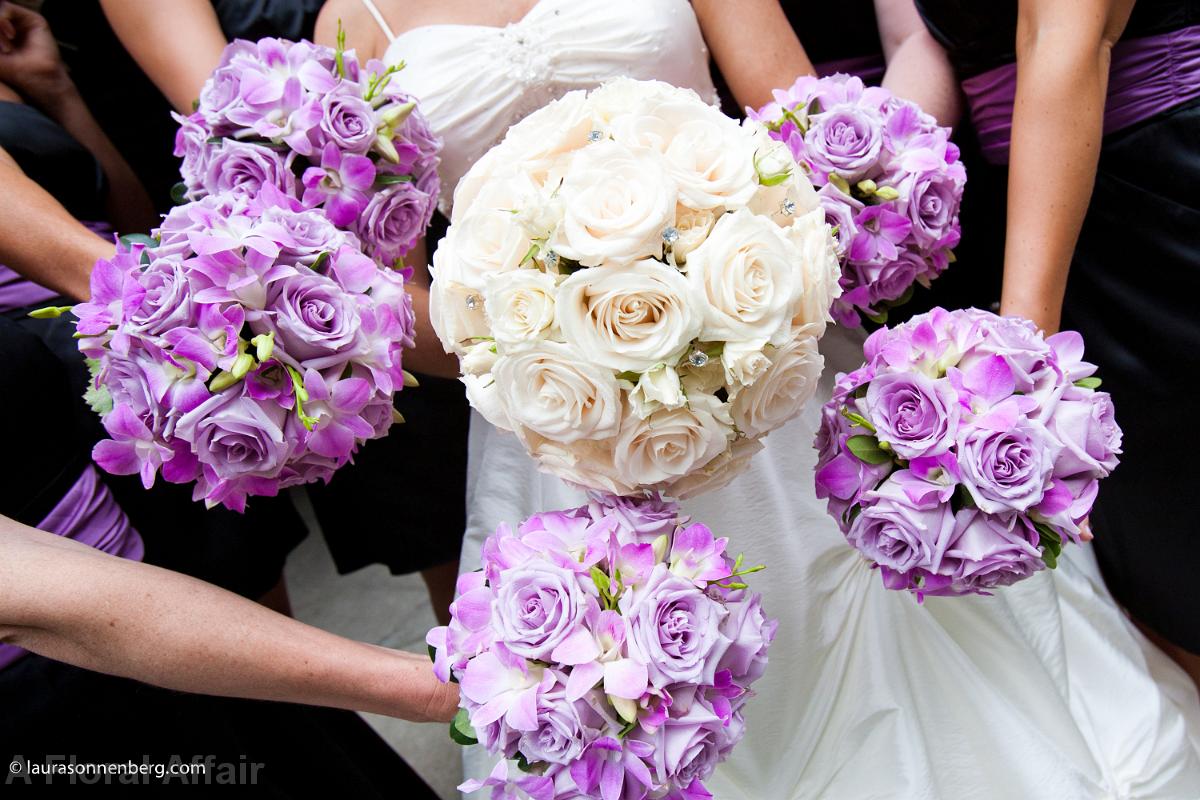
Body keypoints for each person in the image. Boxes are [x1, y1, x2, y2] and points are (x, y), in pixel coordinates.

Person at [322, 0, 1200, 796]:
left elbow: (801, 141)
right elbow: (390, 300)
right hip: (556, 426)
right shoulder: (350, 23)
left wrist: (727, 298)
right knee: (632, 699)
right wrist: (541, 341)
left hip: (761, 360)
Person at [892, 0, 1200, 688]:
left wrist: (1022, 370)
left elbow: (1061, 40)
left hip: (1160, 210)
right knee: (1149, 590)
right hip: (1054, 226)